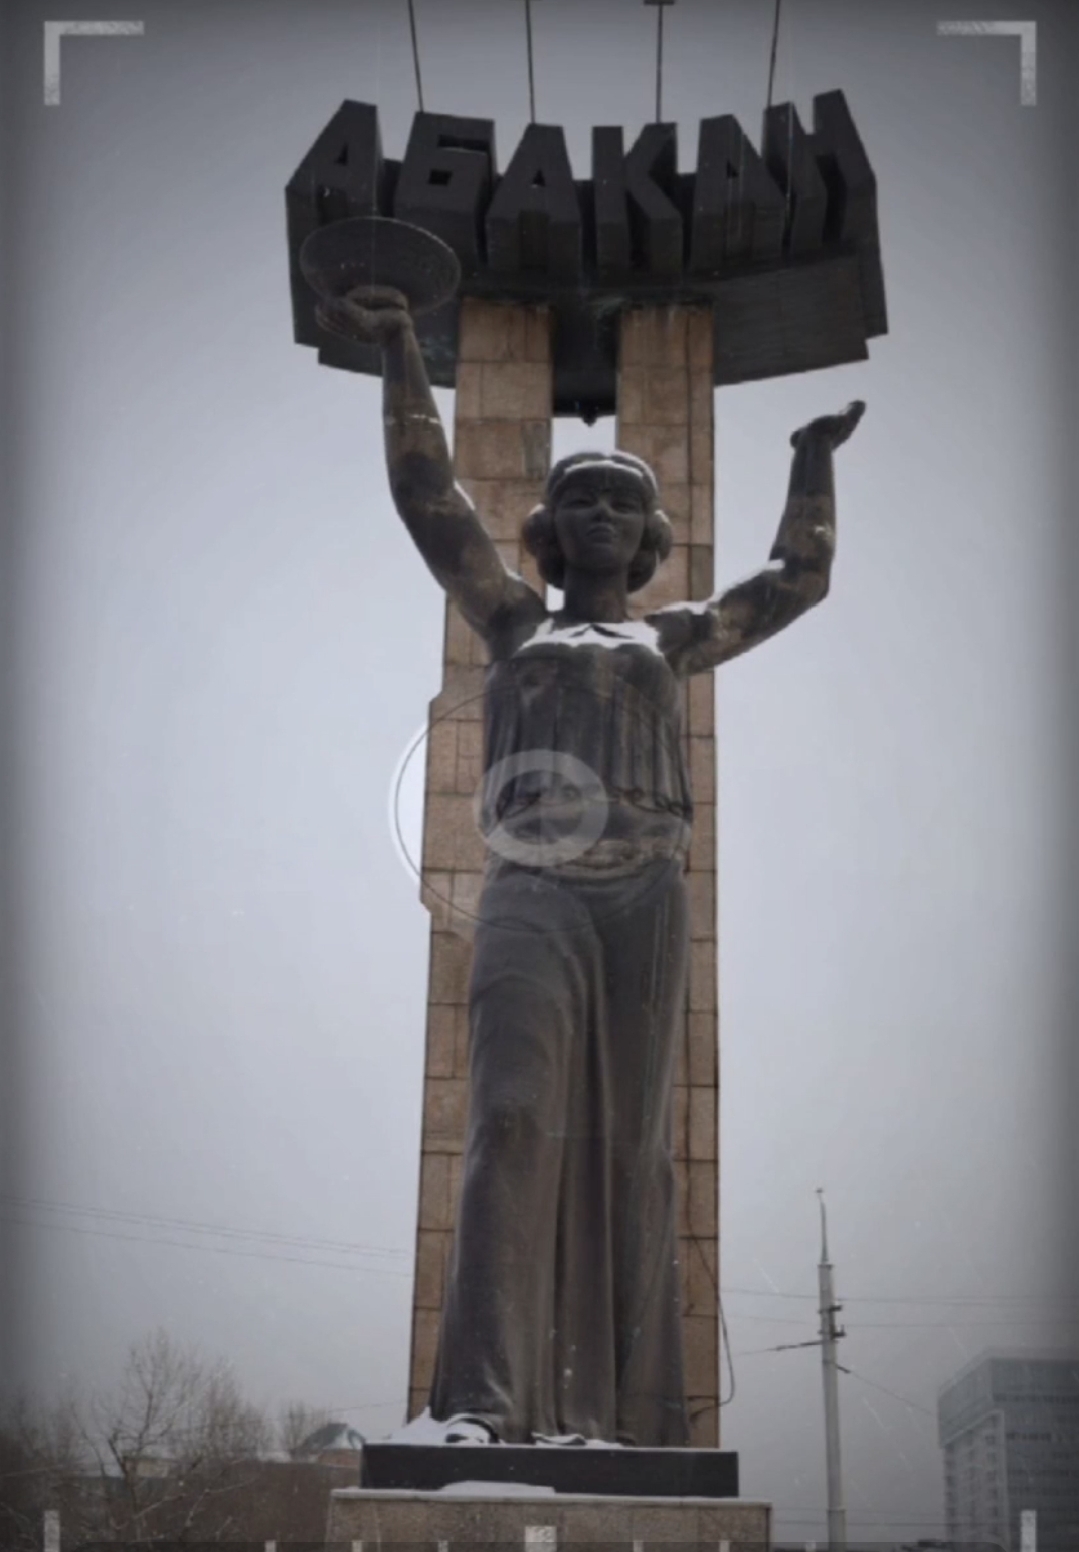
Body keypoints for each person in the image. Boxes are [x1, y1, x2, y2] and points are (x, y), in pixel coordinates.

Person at [324, 285, 865, 1447]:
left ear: (650, 534)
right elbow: (428, 494)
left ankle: (636, 1419)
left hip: (644, 893)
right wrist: (402, 351)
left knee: (633, 1144)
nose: (605, 515)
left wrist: (809, 461)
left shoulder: (670, 638)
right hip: (531, 886)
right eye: (582, 499)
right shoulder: (513, 622)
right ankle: (477, 1404)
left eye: (625, 501)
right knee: (510, 1116)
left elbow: (796, 578)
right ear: (551, 528)